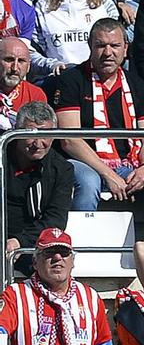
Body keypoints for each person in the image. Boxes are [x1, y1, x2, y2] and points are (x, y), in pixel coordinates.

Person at [53, 16, 144, 210]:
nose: (108, 53)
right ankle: (84, 240)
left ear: (125, 48)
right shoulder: (71, 80)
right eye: (101, 45)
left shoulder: (138, 84)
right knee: (88, 181)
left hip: (132, 162)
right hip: (85, 163)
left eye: (115, 45)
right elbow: (69, 140)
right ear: (90, 47)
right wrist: (108, 174)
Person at [3, 103, 74, 255]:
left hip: (34, 244)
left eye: (45, 135)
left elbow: (56, 220)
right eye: (31, 135)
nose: (38, 143)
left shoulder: (62, 169)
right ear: (17, 132)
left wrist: (19, 242)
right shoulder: (2, 159)